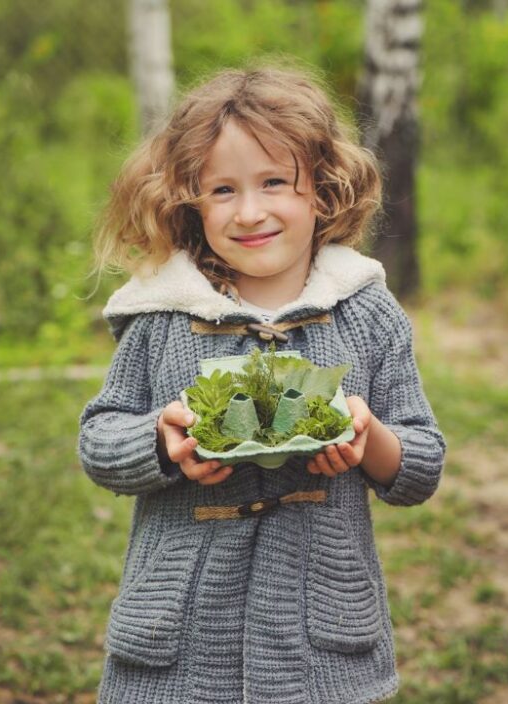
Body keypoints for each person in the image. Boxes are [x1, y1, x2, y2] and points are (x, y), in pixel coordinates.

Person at [77, 64, 445, 704]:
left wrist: (371, 440)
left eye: (274, 182)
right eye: (222, 190)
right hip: (178, 646)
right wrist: (163, 443)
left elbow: (423, 462)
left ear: (322, 191)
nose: (250, 212)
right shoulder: (165, 316)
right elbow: (99, 439)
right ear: (189, 200)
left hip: (320, 648)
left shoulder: (366, 314)